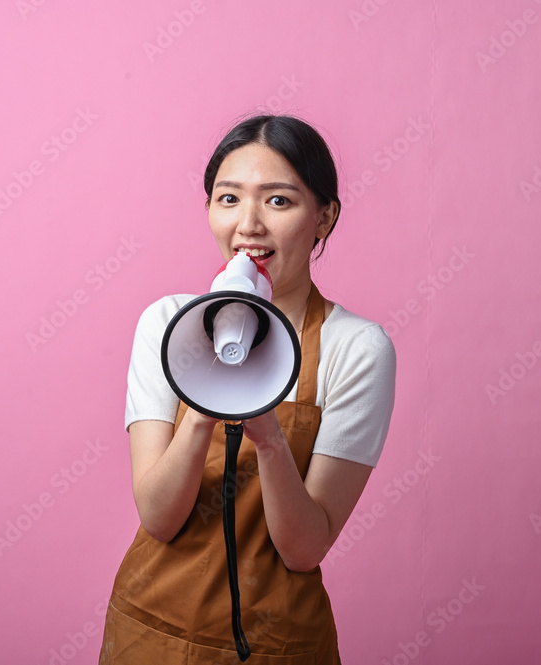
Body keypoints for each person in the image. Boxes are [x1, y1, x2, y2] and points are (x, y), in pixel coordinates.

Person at [99, 114, 397, 664]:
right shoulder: (166, 326)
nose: (249, 226)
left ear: (324, 217)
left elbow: (304, 549)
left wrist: (269, 437)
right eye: (228, 199)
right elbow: (159, 517)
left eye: (278, 201)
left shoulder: (357, 349)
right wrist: (205, 400)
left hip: (279, 646)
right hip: (150, 632)